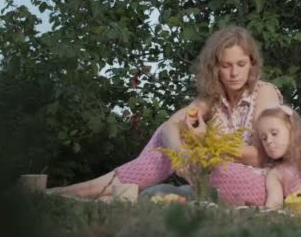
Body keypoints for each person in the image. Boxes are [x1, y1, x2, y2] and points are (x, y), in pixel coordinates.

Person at [47, 26, 283, 206]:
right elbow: (170, 125)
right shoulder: (211, 99)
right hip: (214, 180)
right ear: (215, 68)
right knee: (171, 138)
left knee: (211, 164)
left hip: (260, 185)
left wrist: (208, 145)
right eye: (226, 65)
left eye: (241, 64)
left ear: (252, 64)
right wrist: (180, 154)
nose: (234, 73)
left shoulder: (265, 93)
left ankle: (75, 193)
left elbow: (261, 156)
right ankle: (78, 194)